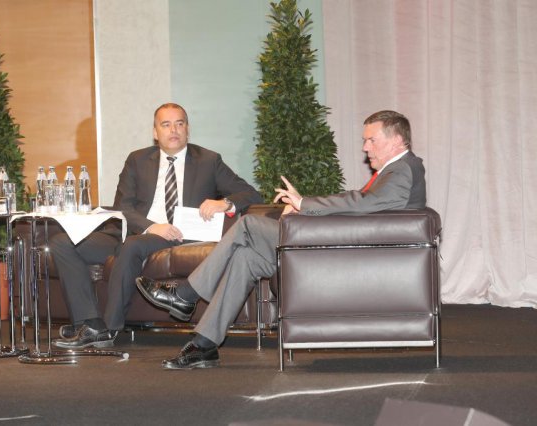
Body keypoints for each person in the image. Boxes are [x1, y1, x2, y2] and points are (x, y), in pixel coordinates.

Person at [136, 110, 427, 369]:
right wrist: (304, 209)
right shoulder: (394, 171)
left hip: (344, 254)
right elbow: (361, 204)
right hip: (340, 247)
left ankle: (186, 294)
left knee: (248, 224)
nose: (365, 147)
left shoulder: (404, 168)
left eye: (371, 140)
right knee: (246, 258)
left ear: (396, 140)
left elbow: (364, 204)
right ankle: (205, 345)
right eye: (365, 141)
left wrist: (305, 204)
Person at [51, 102, 263, 349]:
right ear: (155, 132)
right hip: (133, 231)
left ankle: (109, 330)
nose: (173, 130)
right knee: (62, 242)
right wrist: (151, 226)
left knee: (132, 246)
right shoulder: (137, 160)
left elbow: (251, 194)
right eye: (166, 124)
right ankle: (89, 323)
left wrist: (224, 203)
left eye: (179, 124)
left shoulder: (208, 161)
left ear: (187, 129)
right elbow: (123, 207)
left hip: (175, 235)